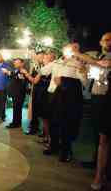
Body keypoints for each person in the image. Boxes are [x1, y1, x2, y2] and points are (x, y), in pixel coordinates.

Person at [72, 33, 111, 190]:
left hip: (107, 99)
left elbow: (101, 64)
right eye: (106, 39)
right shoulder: (99, 56)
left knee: (104, 138)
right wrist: (82, 71)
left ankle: (99, 177)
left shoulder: (103, 58)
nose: (109, 42)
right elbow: (89, 79)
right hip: (97, 99)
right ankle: (99, 166)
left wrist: (78, 54)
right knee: (99, 136)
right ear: (101, 42)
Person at [40, 44, 86, 162]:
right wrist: (45, 61)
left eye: (75, 48)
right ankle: (53, 145)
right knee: (53, 122)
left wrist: (82, 72)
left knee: (66, 124)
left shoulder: (78, 63)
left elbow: (84, 83)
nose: (71, 50)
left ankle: (66, 150)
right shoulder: (57, 62)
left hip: (69, 98)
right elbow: (43, 71)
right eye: (69, 48)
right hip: (54, 95)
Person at [22, 52, 55, 145]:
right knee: (44, 117)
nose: (43, 59)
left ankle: (48, 139)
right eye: (43, 57)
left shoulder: (48, 68)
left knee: (47, 117)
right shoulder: (43, 68)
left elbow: (35, 80)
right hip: (41, 93)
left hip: (46, 94)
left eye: (45, 58)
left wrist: (26, 74)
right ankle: (45, 136)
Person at [3, 58, 29, 129]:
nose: (15, 64)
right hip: (15, 93)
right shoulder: (16, 70)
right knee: (16, 108)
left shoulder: (23, 71)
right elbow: (14, 77)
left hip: (19, 93)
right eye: (15, 63)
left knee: (17, 109)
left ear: (22, 64)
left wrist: (8, 73)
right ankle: (15, 122)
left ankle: (16, 123)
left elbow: (18, 77)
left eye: (17, 63)